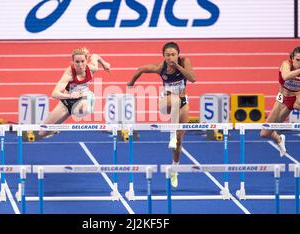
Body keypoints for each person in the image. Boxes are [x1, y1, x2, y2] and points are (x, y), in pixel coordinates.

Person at [127, 42, 196, 188]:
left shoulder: (184, 62)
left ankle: (174, 170)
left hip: (183, 102)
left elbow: (193, 78)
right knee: (175, 100)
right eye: (168, 55)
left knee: (178, 142)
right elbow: (141, 69)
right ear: (163, 56)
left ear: (178, 55)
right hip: (166, 103)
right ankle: (171, 134)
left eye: (173, 54)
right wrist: (131, 82)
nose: (170, 57)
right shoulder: (160, 68)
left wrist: (177, 66)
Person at [37, 48, 110, 137]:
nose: (80, 65)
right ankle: (55, 129)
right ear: (73, 62)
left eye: (83, 61)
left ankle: (85, 103)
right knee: (42, 133)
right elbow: (54, 94)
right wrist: (70, 96)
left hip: (83, 98)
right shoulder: (69, 74)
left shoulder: (92, 69)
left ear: (86, 60)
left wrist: (104, 63)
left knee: (83, 109)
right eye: (77, 62)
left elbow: (95, 56)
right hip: (66, 102)